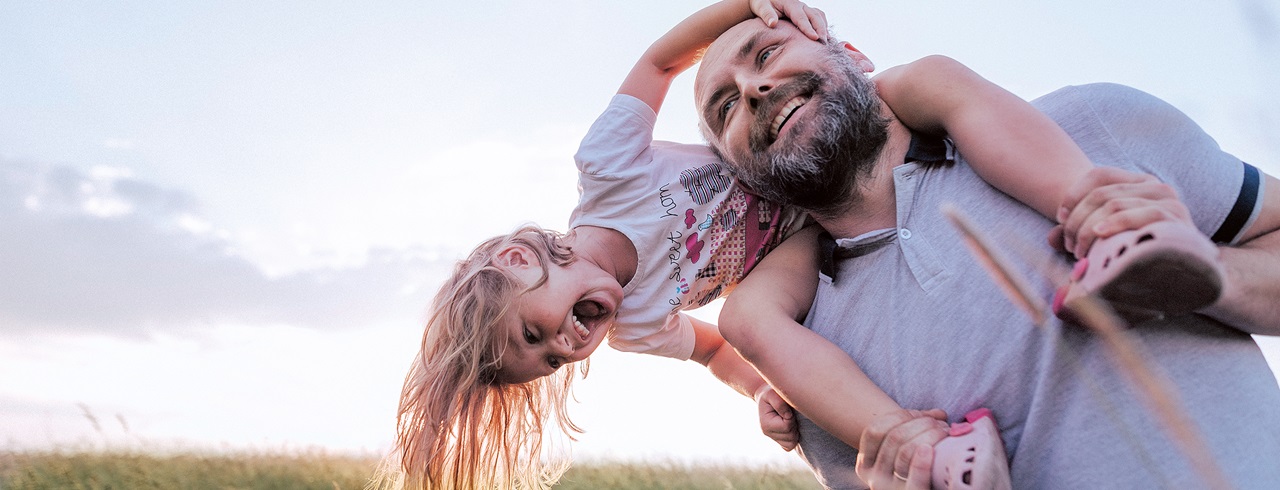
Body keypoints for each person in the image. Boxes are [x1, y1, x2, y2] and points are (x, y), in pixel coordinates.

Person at [695, 15, 1280, 489]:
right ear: (741, 174)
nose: (752, 91)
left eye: (768, 53)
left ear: (852, 54)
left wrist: (1215, 275)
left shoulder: (1090, 126)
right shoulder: (806, 380)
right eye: (725, 109)